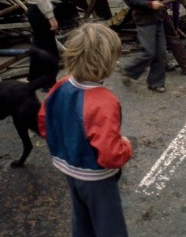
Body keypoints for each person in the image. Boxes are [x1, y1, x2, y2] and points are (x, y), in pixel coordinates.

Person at [38, 23, 133, 237]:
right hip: (96, 177)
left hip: (68, 166)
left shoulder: (61, 85)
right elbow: (110, 154)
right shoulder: (104, 101)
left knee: (81, 220)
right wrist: (125, 147)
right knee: (110, 226)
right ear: (107, 61)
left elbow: (45, 122)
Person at [120, 0, 174, 93]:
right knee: (148, 52)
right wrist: (150, 4)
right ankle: (128, 70)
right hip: (144, 20)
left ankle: (156, 83)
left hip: (158, 17)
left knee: (161, 53)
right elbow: (130, 0)